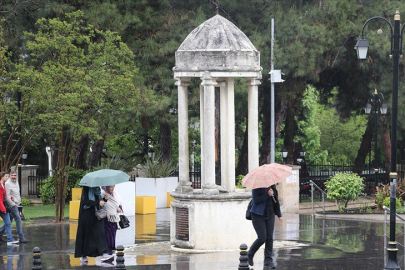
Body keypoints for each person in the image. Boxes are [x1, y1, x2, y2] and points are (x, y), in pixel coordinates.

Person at [74, 186, 113, 264]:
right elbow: (85, 201)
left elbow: (100, 202)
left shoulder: (97, 190)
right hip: (86, 215)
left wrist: (105, 199)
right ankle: (83, 255)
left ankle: (104, 253)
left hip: (96, 215)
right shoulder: (86, 189)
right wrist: (98, 202)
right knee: (86, 235)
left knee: (100, 233)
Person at [247, 185, 283, 269]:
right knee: (262, 238)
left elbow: (276, 202)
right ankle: (250, 254)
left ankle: (268, 261)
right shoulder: (257, 186)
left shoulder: (273, 187)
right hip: (257, 215)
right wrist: (268, 195)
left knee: (269, 238)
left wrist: (279, 215)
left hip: (270, 214)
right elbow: (256, 200)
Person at [0, 170, 28, 243]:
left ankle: (0, 234)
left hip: (17, 203)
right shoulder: (7, 184)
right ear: (9, 175)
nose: (13, 177)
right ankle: (20, 236)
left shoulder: (16, 182)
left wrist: (19, 202)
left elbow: (16, 194)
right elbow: (7, 197)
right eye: (12, 175)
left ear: (16, 176)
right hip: (12, 205)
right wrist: (13, 204)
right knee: (18, 219)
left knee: (8, 221)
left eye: (14, 175)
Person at [101, 185, 122, 256]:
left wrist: (119, 208)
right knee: (108, 234)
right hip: (106, 217)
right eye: (109, 187)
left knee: (113, 233)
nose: (111, 188)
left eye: (112, 186)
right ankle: (108, 249)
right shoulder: (102, 194)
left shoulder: (116, 194)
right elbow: (100, 204)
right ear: (106, 187)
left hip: (115, 217)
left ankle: (112, 248)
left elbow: (119, 204)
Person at [0, 172, 19, 245]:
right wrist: (3, 209)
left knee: (8, 222)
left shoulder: (3, 185)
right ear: (2, 177)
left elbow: (3, 197)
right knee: (8, 222)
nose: (7, 177)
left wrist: (10, 197)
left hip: (3, 206)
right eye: (6, 176)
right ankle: (10, 239)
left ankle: (10, 239)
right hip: (1, 207)